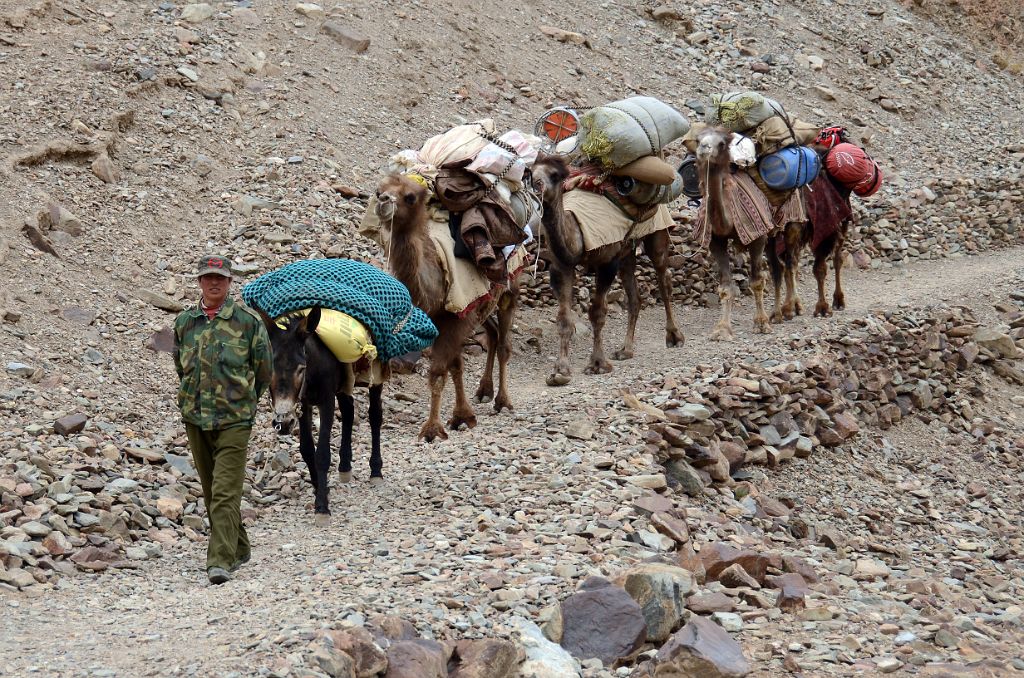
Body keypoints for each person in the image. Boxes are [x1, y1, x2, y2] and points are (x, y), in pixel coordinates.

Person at [173, 255, 273, 584]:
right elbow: (180, 367)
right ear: (199, 282)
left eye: (220, 278)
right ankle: (240, 546)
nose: (214, 282)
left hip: (235, 420)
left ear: (230, 283)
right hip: (196, 417)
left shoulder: (247, 321)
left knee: (225, 492)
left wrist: (244, 402)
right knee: (209, 488)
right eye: (207, 277)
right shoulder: (185, 322)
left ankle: (219, 560)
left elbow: (263, 371)